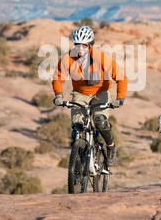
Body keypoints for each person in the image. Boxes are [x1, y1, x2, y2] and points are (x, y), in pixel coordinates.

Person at [52, 25, 128, 166]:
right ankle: (79, 164)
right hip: (80, 94)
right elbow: (57, 78)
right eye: (77, 44)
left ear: (90, 44)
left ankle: (110, 147)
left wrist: (120, 98)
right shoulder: (68, 58)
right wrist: (58, 95)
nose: (80, 49)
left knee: (99, 120)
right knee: (77, 128)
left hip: (100, 93)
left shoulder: (101, 58)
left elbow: (121, 78)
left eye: (84, 45)